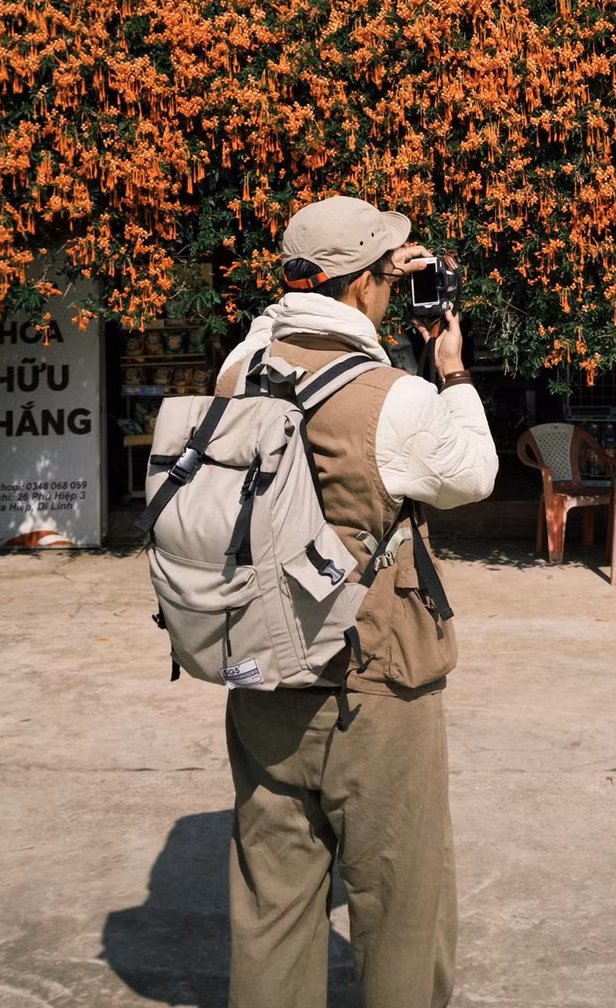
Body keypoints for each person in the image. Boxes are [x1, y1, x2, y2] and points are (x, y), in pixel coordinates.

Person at [216, 195, 498, 1008]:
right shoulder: (394, 398)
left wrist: (366, 279)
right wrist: (448, 363)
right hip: (373, 686)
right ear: (367, 283)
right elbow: (472, 473)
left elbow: (287, 326)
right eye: (386, 272)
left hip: (260, 669)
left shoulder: (239, 368)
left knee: (273, 904)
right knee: (400, 903)